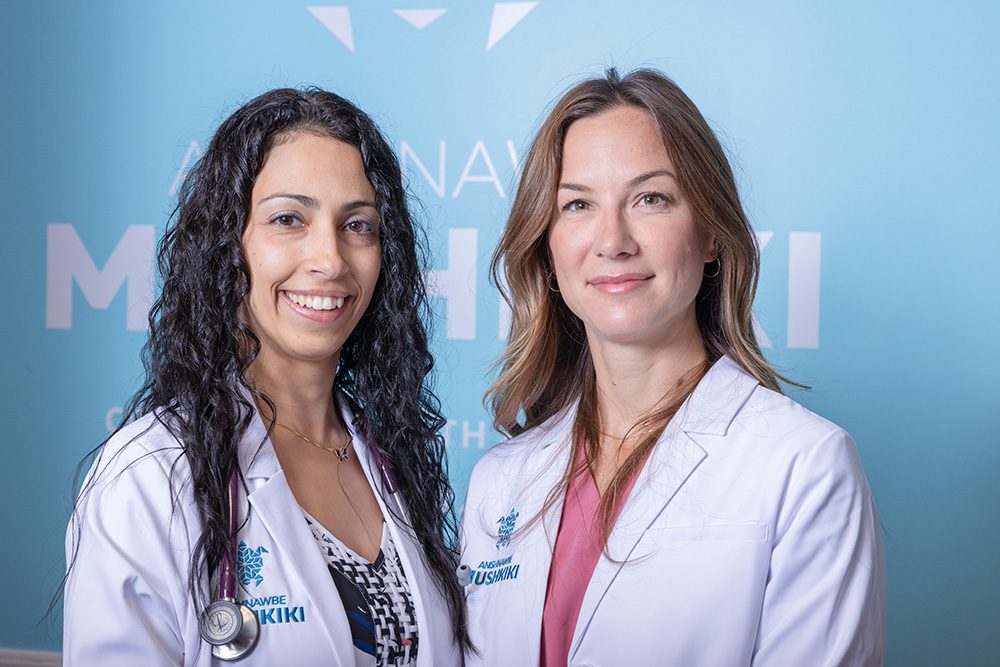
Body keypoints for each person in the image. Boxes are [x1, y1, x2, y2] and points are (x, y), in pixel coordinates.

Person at [460, 68, 885, 666]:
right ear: (547, 246)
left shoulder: (804, 468)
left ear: (711, 231)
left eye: (650, 199)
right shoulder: (500, 481)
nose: (613, 240)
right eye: (578, 204)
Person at [63, 88, 467, 666]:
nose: (330, 259)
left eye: (358, 225)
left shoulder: (395, 460)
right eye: (288, 219)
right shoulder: (150, 478)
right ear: (228, 246)